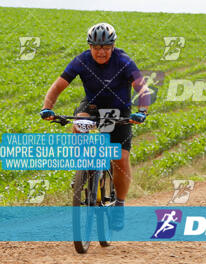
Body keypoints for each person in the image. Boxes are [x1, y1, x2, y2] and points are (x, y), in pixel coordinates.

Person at [39, 23, 150, 229]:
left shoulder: (123, 61)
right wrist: (47, 108)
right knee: (79, 121)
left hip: (120, 111)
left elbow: (142, 89)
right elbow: (58, 86)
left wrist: (141, 112)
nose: (101, 52)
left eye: (106, 47)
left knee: (121, 158)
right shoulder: (81, 61)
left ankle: (120, 204)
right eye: (96, 47)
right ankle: (82, 169)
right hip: (92, 106)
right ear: (90, 46)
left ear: (113, 46)